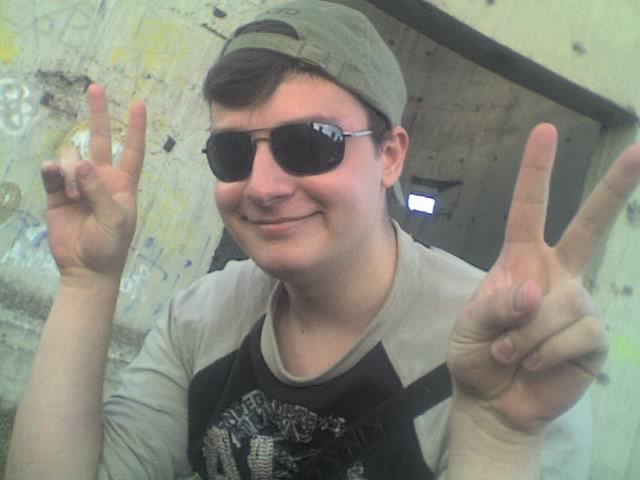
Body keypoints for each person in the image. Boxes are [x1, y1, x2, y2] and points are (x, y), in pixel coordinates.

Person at [6, 1, 640, 479]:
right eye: (232, 153)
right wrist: (88, 283)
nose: (262, 186)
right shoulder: (201, 317)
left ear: (390, 156)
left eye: (310, 144)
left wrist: (499, 445)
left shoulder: (505, 355)